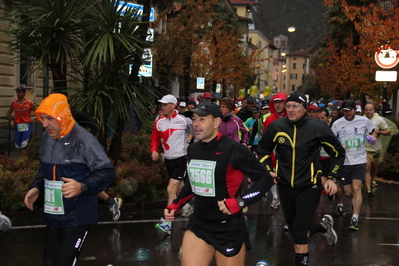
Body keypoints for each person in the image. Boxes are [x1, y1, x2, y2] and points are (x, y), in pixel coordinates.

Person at [163, 101, 274, 266]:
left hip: (228, 228)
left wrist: (240, 202)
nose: (196, 124)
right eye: (194, 119)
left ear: (216, 122)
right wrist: (175, 204)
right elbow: (194, 183)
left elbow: (265, 179)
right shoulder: (194, 150)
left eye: (202, 119)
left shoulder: (235, 150)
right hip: (199, 225)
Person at [24, 93, 115, 266]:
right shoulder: (46, 138)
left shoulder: (84, 140)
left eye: (49, 119)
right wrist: (36, 187)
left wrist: (83, 186)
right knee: (49, 262)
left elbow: (106, 172)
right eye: (42, 118)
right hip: (54, 215)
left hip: (78, 216)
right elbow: (44, 168)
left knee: (63, 263)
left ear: (62, 116)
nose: (44, 124)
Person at [258, 91, 345, 266]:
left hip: (309, 186)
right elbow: (262, 150)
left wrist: (332, 178)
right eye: (288, 106)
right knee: (295, 230)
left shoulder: (318, 128)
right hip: (284, 185)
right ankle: (322, 226)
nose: (290, 109)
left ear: (304, 109)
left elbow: (338, 153)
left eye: (295, 106)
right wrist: (268, 169)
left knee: (299, 233)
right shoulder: (277, 127)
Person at [331, 99, 378, 231]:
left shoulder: (363, 121)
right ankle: (355, 202)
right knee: (348, 192)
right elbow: (331, 140)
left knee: (357, 188)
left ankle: (355, 218)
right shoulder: (337, 124)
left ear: (355, 110)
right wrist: (339, 147)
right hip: (345, 162)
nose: (348, 113)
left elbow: (374, 131)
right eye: (345, 111)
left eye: (350, 111)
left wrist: (372, 137)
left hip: (359, 160)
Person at [151, 94, 194, 234]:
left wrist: (190, 143)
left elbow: (196, 132)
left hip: (181, 159)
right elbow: (155, 138)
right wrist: (154, 150)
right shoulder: (159, 121)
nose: (162, 107)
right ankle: (188, 204)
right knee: (181, 187)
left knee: (171, 189)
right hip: (168, 159)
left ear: (173, 105)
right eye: (161, 104)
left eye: (165, 104)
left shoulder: (184, 120)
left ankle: (167, 223)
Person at [261, 92, 288, 209]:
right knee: (272, 174)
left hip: (288, 153)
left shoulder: (291, 117)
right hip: (273, 152)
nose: (278, 105)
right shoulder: (269, 119)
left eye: (280, 102)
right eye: (275, 102)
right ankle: (275, 197)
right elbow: (264, 138)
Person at [317, 107, 345, 216]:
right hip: (320, 160)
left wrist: (341, 146)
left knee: (335, 184)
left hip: (332, 159)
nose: (320, 120)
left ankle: (340, 204)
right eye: (318, 118)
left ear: (328, 118)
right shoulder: (315, 129)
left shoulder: (333, 129)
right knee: (322, 183)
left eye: (323, 118)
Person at [364, 103, 391, 198]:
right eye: (366, 110)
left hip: (376, 148)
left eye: (370, 110)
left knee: (374, 167)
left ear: (373, 110)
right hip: (365, 148)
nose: (368, 112)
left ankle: (372, 179)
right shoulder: (362, 119)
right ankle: (368, 190)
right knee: (367, 168)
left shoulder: (379, 120)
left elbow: (389, 132)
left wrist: (379, 132)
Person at [7, 86, 36, 157]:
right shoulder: (14, 103)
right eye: (17, 92)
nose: (18, 94)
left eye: (19, 92)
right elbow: (9, 113)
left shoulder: (30, 103)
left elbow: (37, 112)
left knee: (24, 144)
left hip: (26, 125)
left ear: (24, 93)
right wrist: (11, 121)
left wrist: (35, 117)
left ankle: (23, 161)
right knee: (18, 145)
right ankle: (23, 158)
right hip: (18, 125)